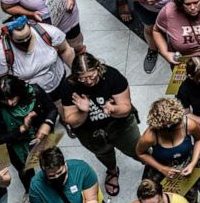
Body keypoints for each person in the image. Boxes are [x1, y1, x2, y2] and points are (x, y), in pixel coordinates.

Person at [59, 52, 140, 195]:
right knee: (103, 154)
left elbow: (126, 108)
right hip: (90, 132)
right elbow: (71, 121)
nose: (88, 82)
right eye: (82, 79)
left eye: (92, 76)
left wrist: (113, 109)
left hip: (120, 125)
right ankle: (112, 171)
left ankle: (154, 164)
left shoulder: (112, 76)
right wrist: (84, 111)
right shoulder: (69, 85)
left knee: (137, 148)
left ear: (98, 68)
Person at [0, 75, 54, 203]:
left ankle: (54, 184)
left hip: (41, 139)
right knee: (25, 171)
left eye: (12, 98)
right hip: (15, 146)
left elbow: (51, 109)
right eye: (5, 100)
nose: (10, 103)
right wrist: (21, 129)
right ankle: (31, 192)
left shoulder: (34, 92)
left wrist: (47, 124)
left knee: (50, 161)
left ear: (20, 92)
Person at [135, 98, 200, 203]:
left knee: (191, 190)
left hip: (187, 161)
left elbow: (199, 139)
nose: (175, 128)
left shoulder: (189, 124)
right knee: (162, 193)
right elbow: (140, 153)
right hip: (161, 166)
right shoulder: (150, 136)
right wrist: (162, 168)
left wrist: (193, 163)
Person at [0, 15, 73, 95]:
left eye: (28, 36)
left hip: (59, 82)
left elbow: (65, 50)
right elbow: (0, 84)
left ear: (30, 26)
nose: (25, 41)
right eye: (20, 40)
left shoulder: (48, 32)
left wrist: (76, 73)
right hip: (30, 96)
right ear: (9, 36)